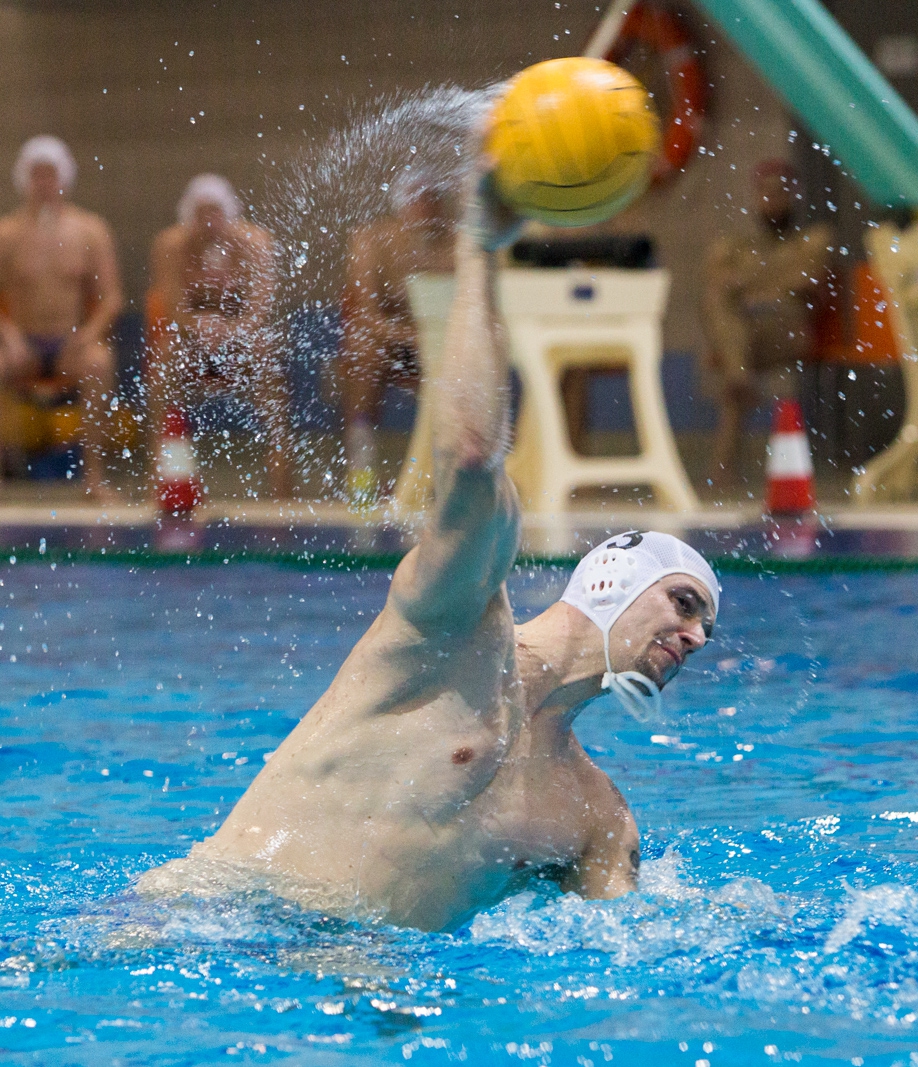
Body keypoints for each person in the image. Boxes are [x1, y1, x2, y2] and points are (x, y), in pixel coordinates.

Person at [137, 175, 720, 932]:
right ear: (612, 576)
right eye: (684, 602)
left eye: (705, 623)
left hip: (368, 996)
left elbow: (633, 953)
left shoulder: (595, 819)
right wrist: (480, 251)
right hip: (207, 923)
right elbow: (473, 455)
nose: (697, 637)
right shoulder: (451, 626)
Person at [145, 173, 288, 499]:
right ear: (188, 218)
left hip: (241, 342)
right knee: (164, 362)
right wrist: (200, 326)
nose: (209, 222)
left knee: (267, 360)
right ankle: (165, 482)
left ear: (230, 215)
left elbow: (260, 307)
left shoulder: (254, 243)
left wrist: (230, 330)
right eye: (201, 214)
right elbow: (171, 306)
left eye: (216, 213)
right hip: (193, 342)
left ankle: (281, 488)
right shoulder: (171, 246)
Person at [0, 135, 123, 499]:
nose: (44, 183)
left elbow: (112, 297)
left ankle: (94, 480)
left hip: (71, 343)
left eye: (50, 175)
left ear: (64, 178)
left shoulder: (90, 230)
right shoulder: (6, 233)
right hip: (23, 345)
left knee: (100, 362)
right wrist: (8, 336)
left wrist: (87, 335)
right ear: (23, 179)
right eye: (36, 175)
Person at [700, 159, 833, 486]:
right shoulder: (738, 243)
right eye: (766, 193)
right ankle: (738, 379)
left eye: (781, 192)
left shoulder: (813, 238)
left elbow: (806, 278)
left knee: (735, 354)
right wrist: (770, 284)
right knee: (720, 311)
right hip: (749, 333)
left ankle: (737, 379)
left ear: (794, 195)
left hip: (789, 331)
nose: (773, 200)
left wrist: (750, 285)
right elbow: (716, 281)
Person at [335, 176, 455, 506]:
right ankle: (362, 470)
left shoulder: (459, 243)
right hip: (391, 342)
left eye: (432, 200)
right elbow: (364, 315)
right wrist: (412, 335)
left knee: (466, 362)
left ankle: (453, 475)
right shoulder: (372, 241)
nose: (426, 208)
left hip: (441, 345)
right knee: (363, 353)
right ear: (401, 205)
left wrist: (430, 338)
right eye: (418, 200)